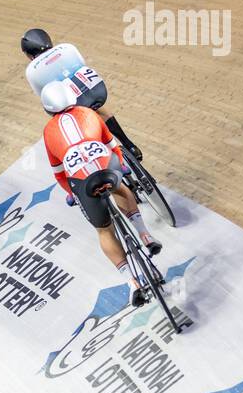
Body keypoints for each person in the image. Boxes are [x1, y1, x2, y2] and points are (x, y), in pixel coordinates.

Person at [40, 80, 160, 307]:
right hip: (108, 167)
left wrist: (72, 194)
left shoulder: (48, 132)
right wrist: (122, 166)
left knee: (104, 230)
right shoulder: (88, 112)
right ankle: (145, 235)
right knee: (120, 188)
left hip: (83, 183)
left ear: (47, 108)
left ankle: (132, 281)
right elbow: (112, 144)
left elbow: (59, 174)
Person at [20, 28, 142, 161]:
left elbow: (44, 97)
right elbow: (83, 66)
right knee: (99, 108)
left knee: (64, 118)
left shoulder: (32, 70)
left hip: (71, 103)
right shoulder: (67, 48)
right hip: (96, 91)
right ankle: (129, 145)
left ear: (28, 54)